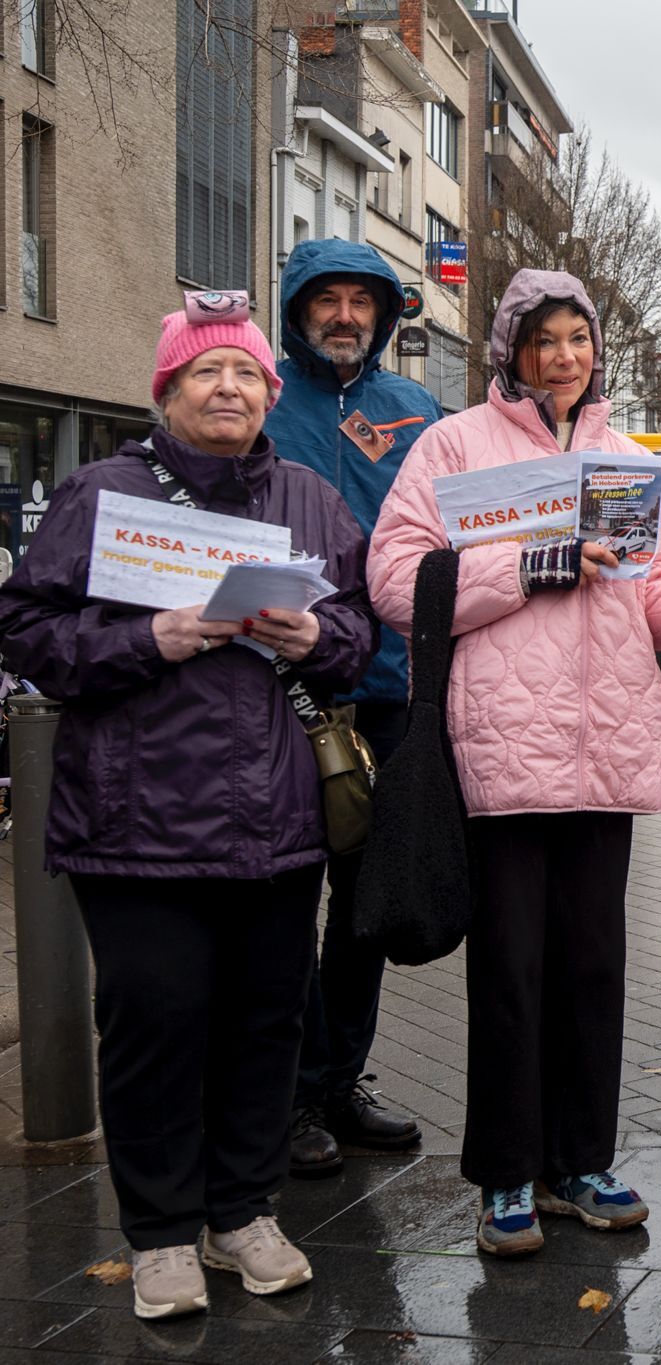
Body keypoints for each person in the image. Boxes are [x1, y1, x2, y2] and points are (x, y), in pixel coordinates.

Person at [368, 269, 661, 1254]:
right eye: (542, 339)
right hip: (505, 753)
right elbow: (392, 580)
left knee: (594, 967)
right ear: (510, 347)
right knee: (509, 970)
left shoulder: (626, 459)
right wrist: (532, 564)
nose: (562, 356)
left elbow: (654, 604)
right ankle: (506, 1175)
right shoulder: (453, 446)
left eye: (576, 339)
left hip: (606, 752)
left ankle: (582, 1164)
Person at [0, 296, 375, 1319]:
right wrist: (144, 641)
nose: (227, 390)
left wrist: (315, 642)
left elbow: (359, 631)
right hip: (136, 824)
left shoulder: (307, 496)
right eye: (204, 375)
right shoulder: (101, 492)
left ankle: (242, 1213)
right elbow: (27, 631)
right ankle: (162, 1234)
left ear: (271, 391)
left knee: (263, 1024)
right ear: (165, 393)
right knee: (155, 1028)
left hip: (273, 824)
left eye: (245, 375)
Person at [266, 237, 441, 1176]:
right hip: (280, 689)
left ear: (382, 314)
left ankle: (342, 1079)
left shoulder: (415, 409)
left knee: (368, 903)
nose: (343, 315)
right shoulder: (263, 399)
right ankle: (289, 1096)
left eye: (359, 301)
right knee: (288, 896)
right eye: (324, 299)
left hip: (390, 689)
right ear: (297, 310)